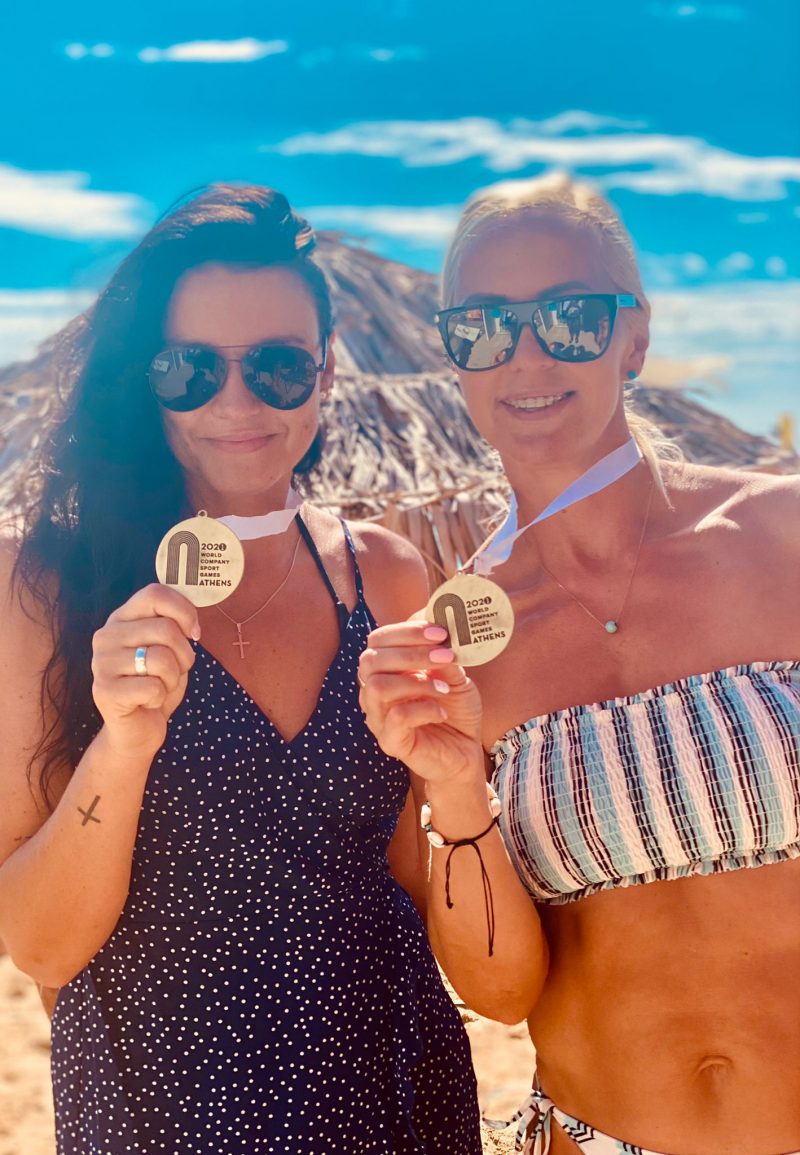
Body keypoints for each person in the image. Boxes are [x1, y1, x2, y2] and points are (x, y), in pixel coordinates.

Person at [0, 185, 481, 1154]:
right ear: (146, 377)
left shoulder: (384, 573)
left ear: (326, 369)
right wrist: (123, 746)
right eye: (189, 369)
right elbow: (41, 946)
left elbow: (407, 882)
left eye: (277, 365)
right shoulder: (45, 584)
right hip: (164, 1113)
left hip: (394, 1095)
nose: (235, 403)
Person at [358, 173, 800, 1155]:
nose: (525, 354)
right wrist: (452, 785)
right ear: (453, 353)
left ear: (632, 336)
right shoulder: (453, 649)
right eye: (482, 326)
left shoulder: (785, 535)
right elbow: (499, 990)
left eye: (569, 317)